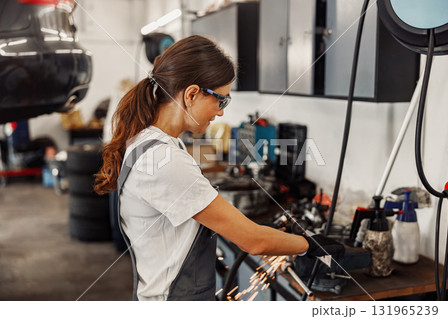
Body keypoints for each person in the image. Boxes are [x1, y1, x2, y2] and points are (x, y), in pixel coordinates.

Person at [95, 35, 341, 301]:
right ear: (191, 94)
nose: (221, 112)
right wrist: (310, 245)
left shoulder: (145, 140)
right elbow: (253, 241)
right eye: (221, 100)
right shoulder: (165, 160)